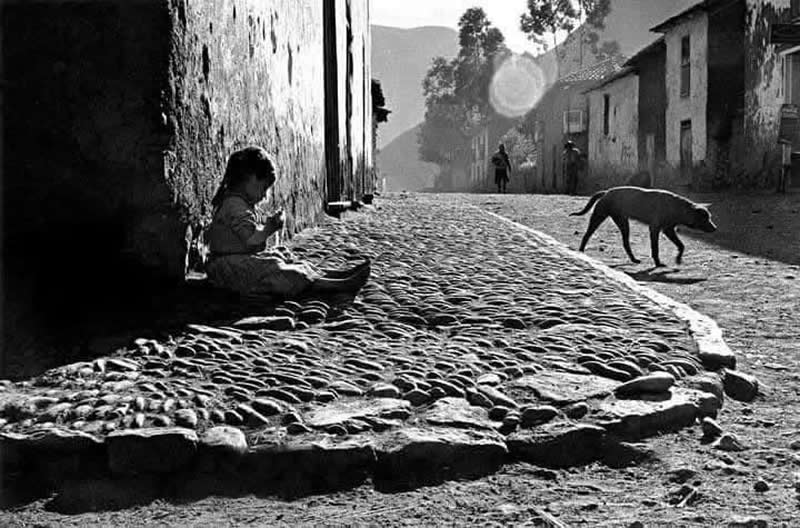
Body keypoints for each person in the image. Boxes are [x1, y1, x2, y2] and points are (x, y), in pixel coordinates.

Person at [205, 146, 371, 298]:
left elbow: (252, 227)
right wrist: (269, 228)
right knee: (275, 268)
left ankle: (329, 275)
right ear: (250, 179)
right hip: (227, 269)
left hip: (235, 261)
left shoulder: (241, 203)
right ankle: (332, 285)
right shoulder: (234, 205)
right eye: (263, 188)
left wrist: (269, 222)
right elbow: (250, 239)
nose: (264, 196)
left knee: (281, 255)